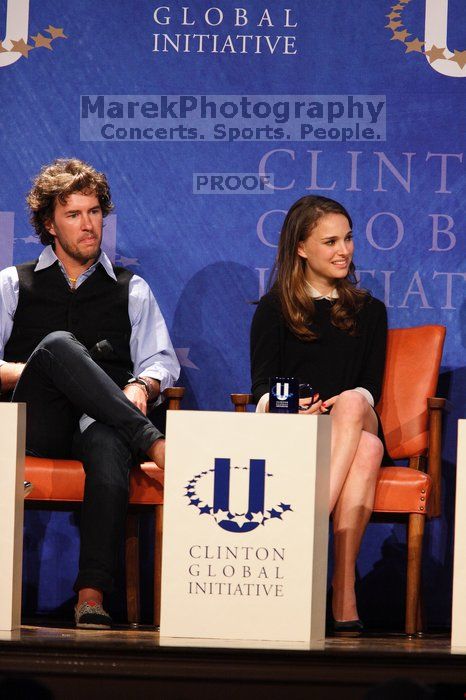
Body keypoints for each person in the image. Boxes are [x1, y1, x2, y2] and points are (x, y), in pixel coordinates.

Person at [0, 158, 180, 629]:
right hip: (35, 422)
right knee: (58, 346)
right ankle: (154, 443)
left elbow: (161, 361)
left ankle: (91, 593)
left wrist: (142, 385)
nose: (88, 225)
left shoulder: (131, 290)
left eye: (95, 212)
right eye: (74, 214)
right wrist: (37, 370)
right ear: (48, 224)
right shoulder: (13, 283)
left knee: (106, 441)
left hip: (99, 424)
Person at [250, 195, 387, 632]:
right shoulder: (275, 309)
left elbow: (371, 387)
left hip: (357, 412)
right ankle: (343, 592)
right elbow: (262, 389)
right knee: (366, 450)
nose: (343, 250)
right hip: (302, 433)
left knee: (351, 401)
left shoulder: (370, 310)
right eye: (330, 241)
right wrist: (295, 407)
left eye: (347, 239)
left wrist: (342, 403)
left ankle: (306, 530)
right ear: (302, 248)